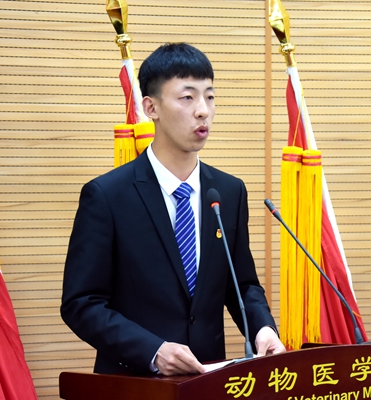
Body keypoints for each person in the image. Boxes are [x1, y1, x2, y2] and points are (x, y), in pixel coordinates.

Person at [60, 42, 285, 376]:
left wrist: (262, 329)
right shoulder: (107, 196)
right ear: (151, 107)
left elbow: (242, 284)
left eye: (210, 96)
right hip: (134, 383)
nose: (203, 111)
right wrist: (152, 350)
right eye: (187, 97)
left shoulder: (228, 192)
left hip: (207, 381)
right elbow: (81, 303)